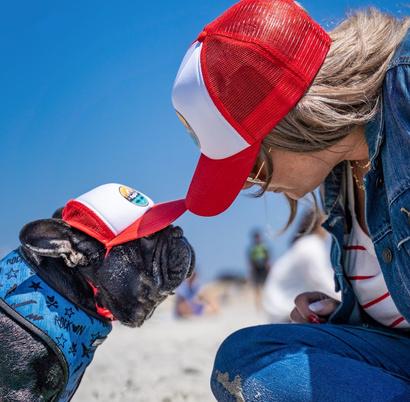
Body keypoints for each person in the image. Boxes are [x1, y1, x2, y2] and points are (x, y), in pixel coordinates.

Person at [171, 0, 410, 400]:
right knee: (246, 358)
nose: (256, 187)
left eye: (253, 168)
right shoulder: (339, 175)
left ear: (291, 124)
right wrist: (345, 316)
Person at [262, 209, 338, 322]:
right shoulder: (311, 245)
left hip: (273, 306)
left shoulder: (304, 244)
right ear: (317, 225)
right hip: (283, 309)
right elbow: (323, 281)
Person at [248, 230, 271, 308]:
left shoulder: (264, 246)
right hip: (256, 269)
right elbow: (250, 260)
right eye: (256, 237)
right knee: (257, 287)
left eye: (258, 237)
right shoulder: (252, 248)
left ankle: (267, 302)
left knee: (266, 285)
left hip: (264, 268)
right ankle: (258, 304)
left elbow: (268, 258)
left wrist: (268, 267)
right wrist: (251, 270)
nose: (257, 239)